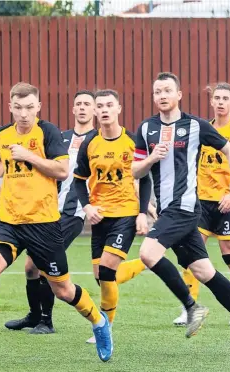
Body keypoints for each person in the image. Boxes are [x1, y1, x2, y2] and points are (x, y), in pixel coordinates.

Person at [0, 82, 112, 362]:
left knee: (62, 289)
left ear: (38, 107)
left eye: (29, 107)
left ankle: (99, 321)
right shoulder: (1, 135)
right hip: (9, 221)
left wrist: (29, 156)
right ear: (10, 107)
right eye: (18, 107)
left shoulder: (47, 133)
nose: (24, 113)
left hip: (44, 224)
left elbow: (63, 171)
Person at [132, 72, 230, 354]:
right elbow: (136, 171)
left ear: (179, 94)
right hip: (168, 209)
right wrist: (152, 162)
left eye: (168, 90)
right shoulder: (146, 129)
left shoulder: (195, 125)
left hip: (186, 208)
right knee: (204, 270)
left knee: (147, 253)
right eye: (158, 91)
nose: (162, 95)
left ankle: (192, 307)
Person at [4, 90, 97, 334]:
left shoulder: (99, 140)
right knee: (30, 267)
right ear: (73, 109)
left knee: (42, 263)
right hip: (44, 210)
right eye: (78, 104)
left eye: (88, 104)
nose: (82, 108)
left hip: (71, 213)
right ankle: (34, 316)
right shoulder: (59, 137)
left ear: (95, 110)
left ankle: (47, 320)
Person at [72, 89, 152, 353]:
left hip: (125, 213)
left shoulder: (132, 141)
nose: (104, 110)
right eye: (100, 106)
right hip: (100, 217)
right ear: (95, 112)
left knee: (106, 270)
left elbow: (146, 178)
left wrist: (142, 212)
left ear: (119, 108)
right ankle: (144, 263)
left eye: (109, 105)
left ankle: (104, 325)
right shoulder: (90, 143)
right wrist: (87, 207)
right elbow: (78, 181)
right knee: (101, 275)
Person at [174, 82, 230, 327]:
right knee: (192, 252)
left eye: (225, 98)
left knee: (229, 256)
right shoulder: (202, 129)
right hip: (201, 203)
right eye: (217, 98)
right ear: (211, 102)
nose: (220, 102)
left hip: (227, 204)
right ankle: (189, 306)